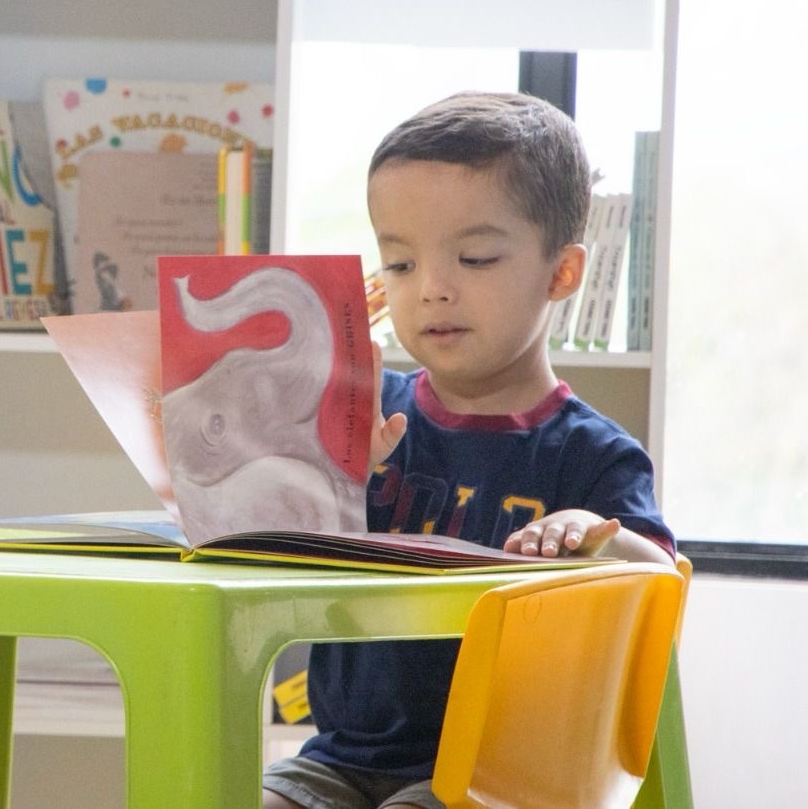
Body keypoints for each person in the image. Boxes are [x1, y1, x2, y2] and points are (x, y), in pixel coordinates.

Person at [262, 91, 675, 809]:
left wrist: (594, 537)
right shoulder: (365, 413)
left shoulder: (592, 454)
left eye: (475, 258)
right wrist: (319, 478)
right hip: (341, 758)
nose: (433, 291)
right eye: (399, 264)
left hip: (509, 769)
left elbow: (659, 581)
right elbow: (268, 553)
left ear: (562, 274)